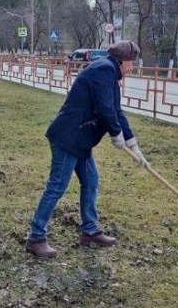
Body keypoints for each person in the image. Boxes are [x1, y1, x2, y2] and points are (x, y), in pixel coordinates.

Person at [25, 40, 147, 258]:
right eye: (132, 63)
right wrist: (115, 134)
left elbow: (116, 111)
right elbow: (105, 108)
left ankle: (90, 231)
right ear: (122, 61)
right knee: (57, 187)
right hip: (68, 137)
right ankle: (36, 237)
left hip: (81, 139)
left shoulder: (109, 72)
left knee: (91, 181)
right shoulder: (104, 71)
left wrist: (132, 144)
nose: (133, 67)